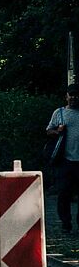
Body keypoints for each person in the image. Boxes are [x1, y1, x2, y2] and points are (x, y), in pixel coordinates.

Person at [48, 84, 79, 234]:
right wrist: (57, 131)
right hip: (65, 161)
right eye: (71, 95)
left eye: (76, 95)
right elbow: (48, 130)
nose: (73, 97)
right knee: (64, 193)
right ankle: (66, 223)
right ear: (66, 96)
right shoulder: (59, 113)